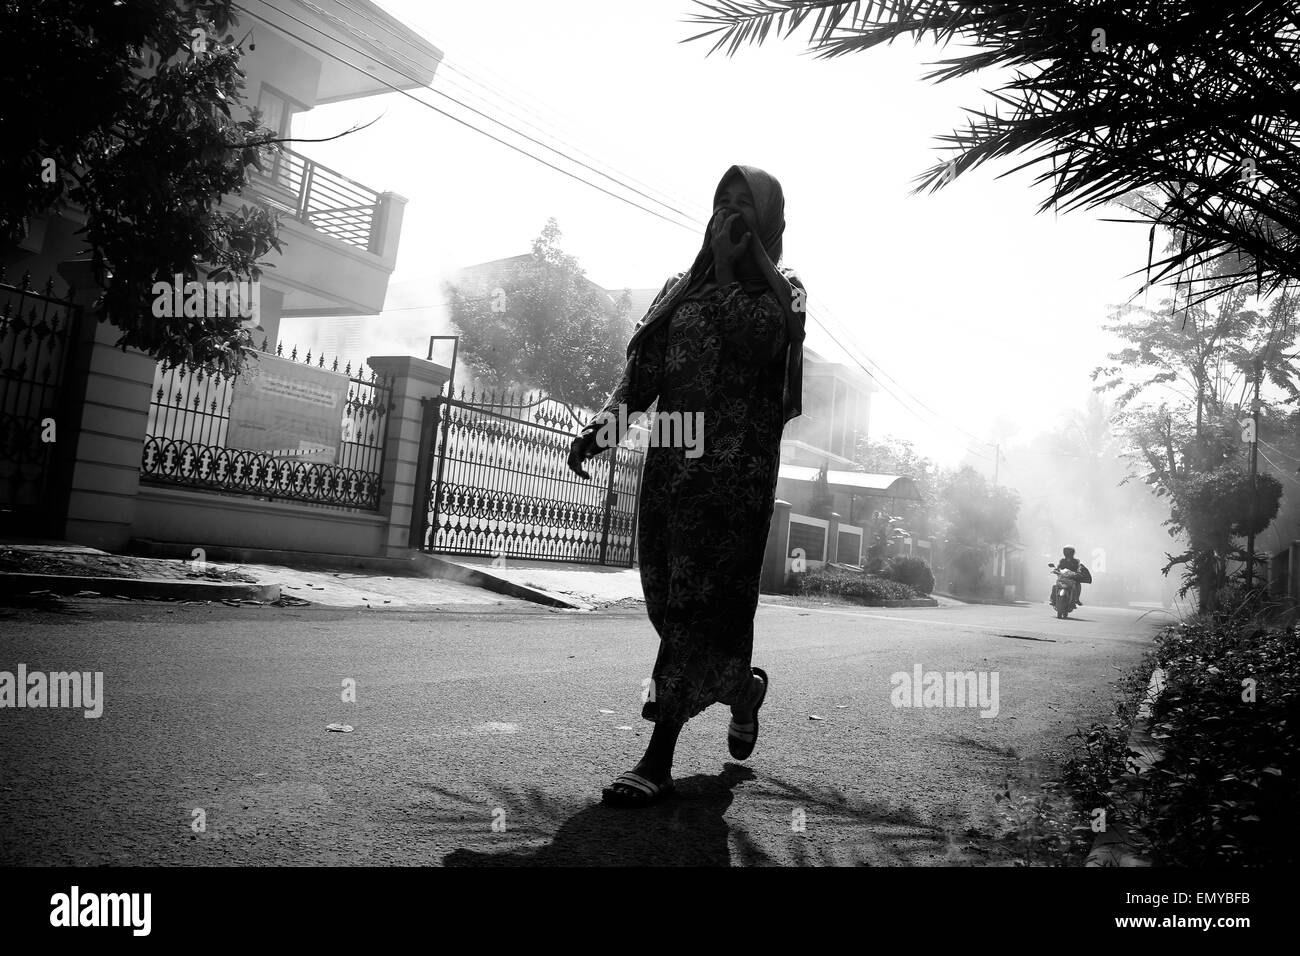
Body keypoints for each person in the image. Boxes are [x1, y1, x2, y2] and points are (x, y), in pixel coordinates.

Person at [567, 165, 806, 807]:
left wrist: (731, 273)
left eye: (744, 205)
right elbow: (640, 373)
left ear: (769, 222)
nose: (729, 214)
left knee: (694, 610)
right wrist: (602, 430)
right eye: (721, 201)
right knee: (670, 605)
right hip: (673, 465)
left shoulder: (783, 293)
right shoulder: (677, 290)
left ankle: (657, 757)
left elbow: (755, 344)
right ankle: (742, 687)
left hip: (732, 481)